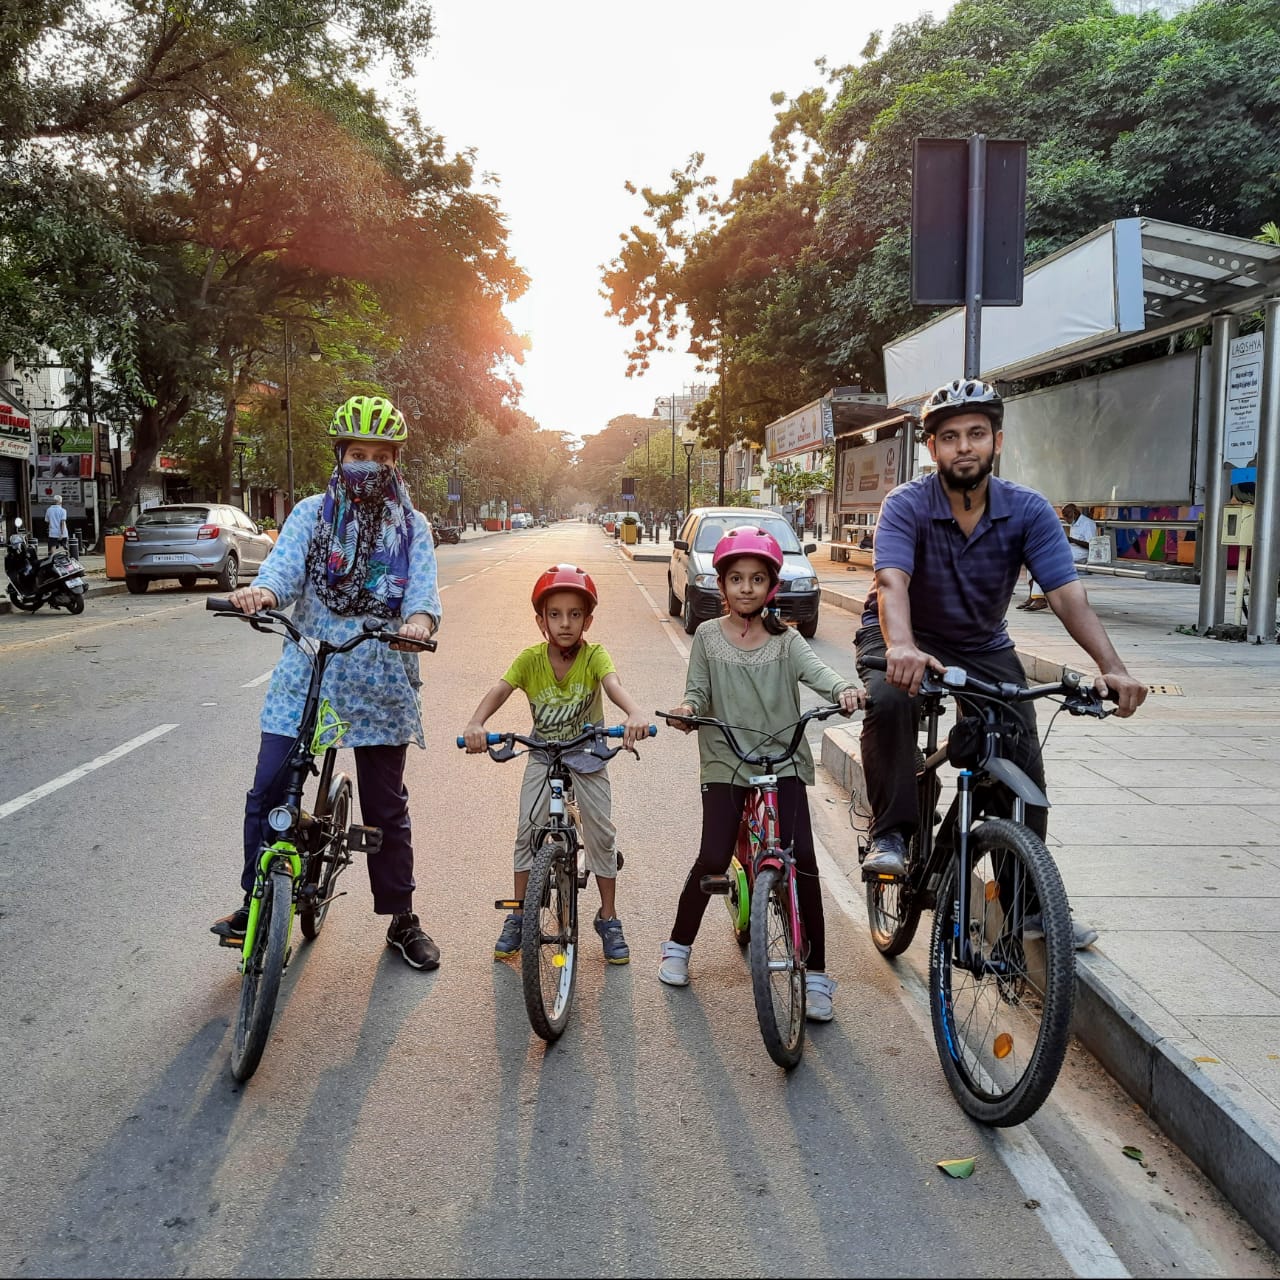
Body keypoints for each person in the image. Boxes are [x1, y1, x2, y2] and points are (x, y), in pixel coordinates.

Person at [855, 378, 1147, 948]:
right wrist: (903, 647)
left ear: (997, 442)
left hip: (983, 643)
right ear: (932, 448)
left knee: (1020, 760)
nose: (964, 446)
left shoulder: (1028, 511)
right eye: (950, 437)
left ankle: (1029, 908)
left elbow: (1066, 593)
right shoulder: (906, 504)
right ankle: (890, 834)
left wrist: (1113, 666)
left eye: (976, 434)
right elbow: (892, 582)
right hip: (901, 632)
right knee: (889, 699)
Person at [211, 394, 443, 970]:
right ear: (340, 456)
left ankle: (401, 918)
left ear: (395, 461)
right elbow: (282, 570)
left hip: (378, 677)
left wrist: (417, 622)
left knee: (385, 809)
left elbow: (421, 595)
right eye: (356, 453)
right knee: (267, 792)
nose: (367, 464)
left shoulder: (413, 528)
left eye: (379, 455)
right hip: (307, 674)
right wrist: (260, 593)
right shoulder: (312, 513)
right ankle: (254, 901)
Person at [660, 528, 865, 1021]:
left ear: (771, 586)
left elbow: (820, 673)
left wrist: (844, 691)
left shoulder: (787, 640)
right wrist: (688, 709)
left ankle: (816, 974)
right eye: (736, 579)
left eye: (757, 579)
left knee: (805, 862)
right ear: (721, 585)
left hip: (783, 760)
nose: (746, 588)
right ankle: (677, 946)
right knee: (713, 856)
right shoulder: (708, 636)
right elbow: (697, 691)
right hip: (727, 761)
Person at [463, 564, 650, 964]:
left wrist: (634, 713)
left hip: (587, 752)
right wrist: (477, 723)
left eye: (575, 614)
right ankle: (518, 914)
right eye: (555, 614)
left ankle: (609, 917)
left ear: (588, 619)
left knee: (600, 832)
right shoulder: (530, 660)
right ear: (540, 620)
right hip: (543, 751)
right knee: (527, 831)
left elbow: (614, 686)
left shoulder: (595, 656)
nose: (565, 623)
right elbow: (501, 689)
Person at [1019, 501, 1097, 611]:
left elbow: (1092, 546)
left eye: (1067, 515)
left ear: (1074, 512)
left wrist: (1071, 540)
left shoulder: (1088, 524)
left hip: (1082, 554)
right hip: (1071, 550)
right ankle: (1033, 596)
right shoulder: (1074, 523)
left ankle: (1040, 600)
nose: (1065, 518)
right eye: (1064, 516)